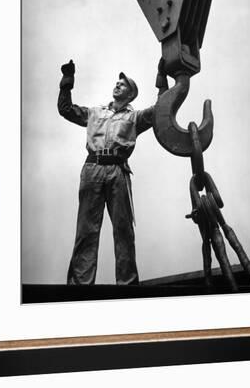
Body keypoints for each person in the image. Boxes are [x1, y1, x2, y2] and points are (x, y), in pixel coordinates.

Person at [58, 59, 168, 285]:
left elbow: (161, 110)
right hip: (92, 169)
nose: (117, 85)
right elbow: (66, 110)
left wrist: (161, 79)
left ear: (131, 94)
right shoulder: (95, 112)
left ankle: (127, 284)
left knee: (123, 229)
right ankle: (80, 286)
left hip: (118, 171)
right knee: (86, 230)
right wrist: (67, 81)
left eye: (123, 84)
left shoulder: (135, 117)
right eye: (117, 83)